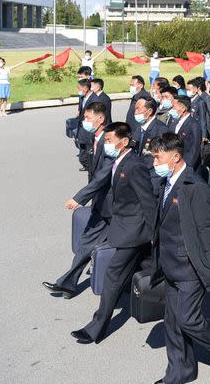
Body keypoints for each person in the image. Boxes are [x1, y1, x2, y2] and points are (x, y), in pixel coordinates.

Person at [149, 133, 210, 383]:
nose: (155, 162)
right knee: (173, 323)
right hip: (169, 265)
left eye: (158, 157)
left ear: (175, 157)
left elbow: (208, 233)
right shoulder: (165, 182)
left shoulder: (195, 187)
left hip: (189, 267)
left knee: (188, 319)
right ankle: (180, 372)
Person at [71, 122, 157, 344]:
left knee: (112, 276)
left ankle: (96, 328)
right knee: (147, 269)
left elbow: (148, 201)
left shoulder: (134, 166)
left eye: (109, 141)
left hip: (134, 232)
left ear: (124, 141)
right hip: (125, 228)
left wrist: (152, 232)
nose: (106, 144)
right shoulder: (118, 162)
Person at [43, 102, 111, 298]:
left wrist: (79, 198)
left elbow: (102, 176)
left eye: (88, 118)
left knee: (123, 253)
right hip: (101, 203)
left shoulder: (109, 142)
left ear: (101, 119)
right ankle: (67, 284)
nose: (85, 122)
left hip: (114, 208)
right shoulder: (95, 138)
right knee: (86, 243)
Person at [169, 96, 202, 170]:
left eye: (174, 107)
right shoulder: (174, 122)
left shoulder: (193, 125)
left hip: (186, 164)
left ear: (183, 108)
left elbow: (195, 148)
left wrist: (188, 166)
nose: (172, 109)